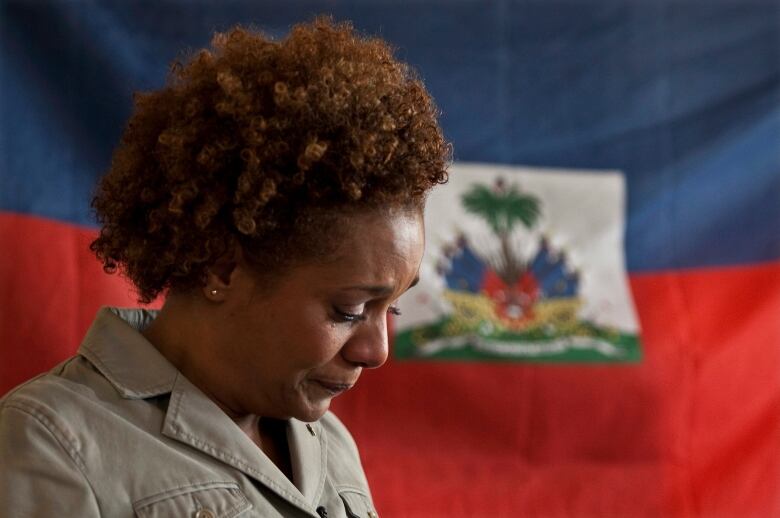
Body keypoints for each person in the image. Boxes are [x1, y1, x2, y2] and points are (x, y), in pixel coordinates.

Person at [0, 18, 449, 517]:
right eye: (349, 309)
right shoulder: (51, 440)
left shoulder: (329, 440)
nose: (376, 351)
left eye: (394, 308)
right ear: (220, 269)